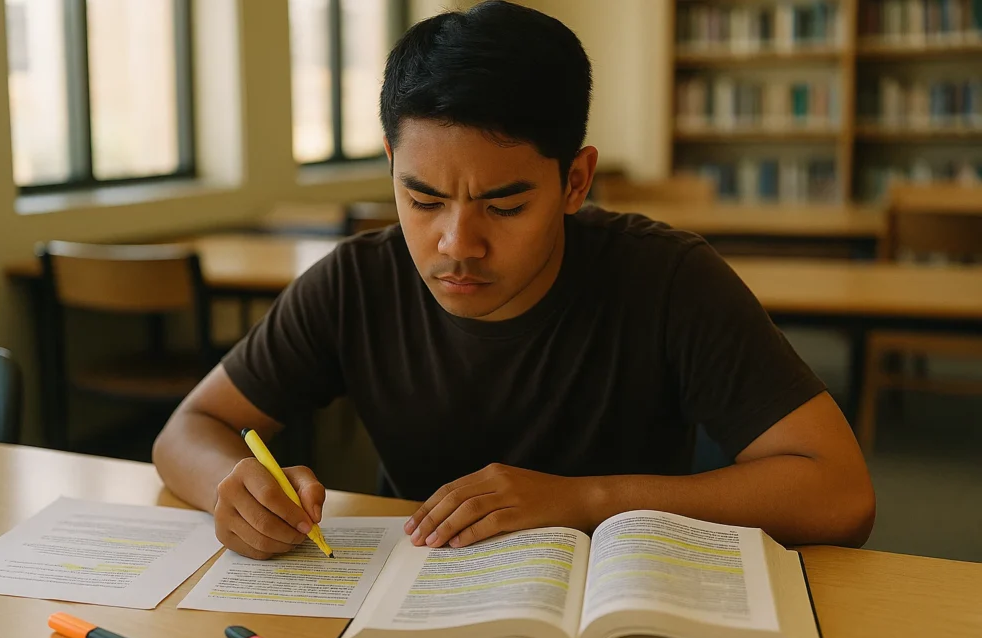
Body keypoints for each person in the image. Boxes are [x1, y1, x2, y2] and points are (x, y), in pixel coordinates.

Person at [153, 0, 875, 560]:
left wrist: (586, 499)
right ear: (390, 168)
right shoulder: (356, 281)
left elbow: (841, 492)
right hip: (415, 608)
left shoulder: (668, 278)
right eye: (423, 199)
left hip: (623, 611)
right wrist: (231, 485)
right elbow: (189, 428)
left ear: (576, 181)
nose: (456, 244)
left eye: (506, 204)